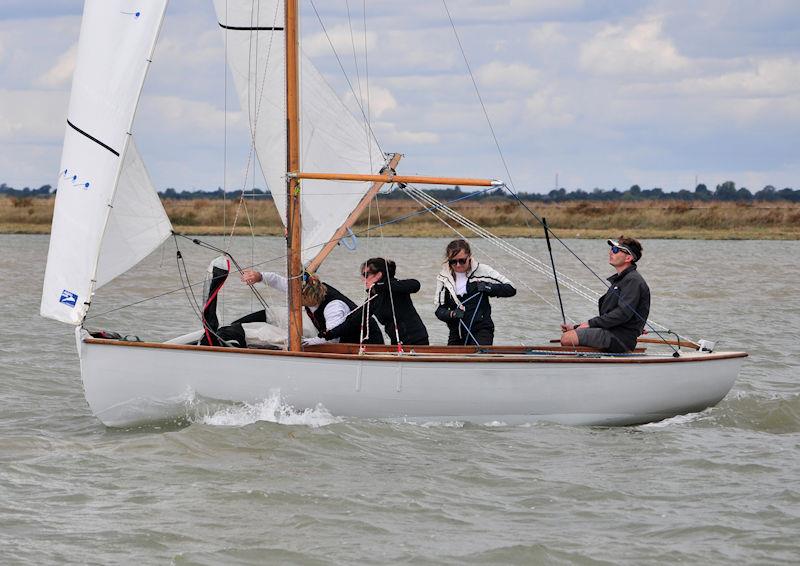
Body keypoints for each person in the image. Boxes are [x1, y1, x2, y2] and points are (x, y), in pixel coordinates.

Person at [240, 269, 383, 346]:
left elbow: (332, 338)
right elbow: (278, 281)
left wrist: (307, 343)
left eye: (298, 298)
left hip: (364, 343)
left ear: (308, 297)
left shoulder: (333, 307)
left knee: (302, 340)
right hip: (328, 332)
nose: (294, 299)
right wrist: (258, 276)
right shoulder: (305, 285)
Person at [560, 236, 650, 353]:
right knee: (570, 334)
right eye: (611, 249)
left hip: (620, 338)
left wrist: (589, 324)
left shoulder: (632, 280)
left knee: (567, 338)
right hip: (613, 333)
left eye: (616, 250)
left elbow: (622, 314)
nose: (611, 252)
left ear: (628, 257)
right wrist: (577, 327)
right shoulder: (622, 280)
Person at [323, 258, 429, 346]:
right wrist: (331, 333)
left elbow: (415, 285)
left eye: (366, 275)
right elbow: (356, 318)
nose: (363, 279)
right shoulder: (374, 297)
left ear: (378, 275)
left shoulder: (395, 287)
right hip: (397, 342)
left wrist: (383, 285)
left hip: (416, 340)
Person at [434, 239, 516, 345]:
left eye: (462, 260)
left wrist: (488, 287)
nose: (458, 265)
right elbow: (439, 310)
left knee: (479, 356)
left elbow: (511, 289)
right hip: (457, 331)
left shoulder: (483, 270)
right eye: (453, 262)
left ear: (469, 257)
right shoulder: (443, 277)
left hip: (481, 330)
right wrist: (452, 314)